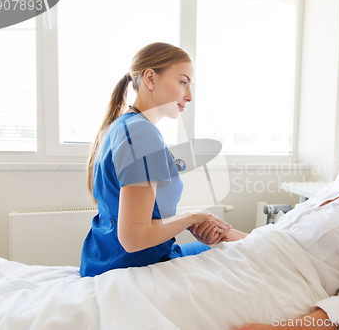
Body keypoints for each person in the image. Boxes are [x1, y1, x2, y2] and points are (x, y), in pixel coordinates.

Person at [203, 118, 339, 329]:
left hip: (274, 288)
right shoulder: (333, 191)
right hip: (238, 262)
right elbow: (278, 241)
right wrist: (224, 234)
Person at [80, 42, 231, 277]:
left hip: (104, 260)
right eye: (183, 82)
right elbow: (134, 236)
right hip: (136, 265)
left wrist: (195, 221)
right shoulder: (141, 133)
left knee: (236, 242)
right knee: (237, 250)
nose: (189, 96)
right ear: (150, 78)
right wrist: (191, 217)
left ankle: (269, 241)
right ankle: (274, 242)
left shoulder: (122, 127)